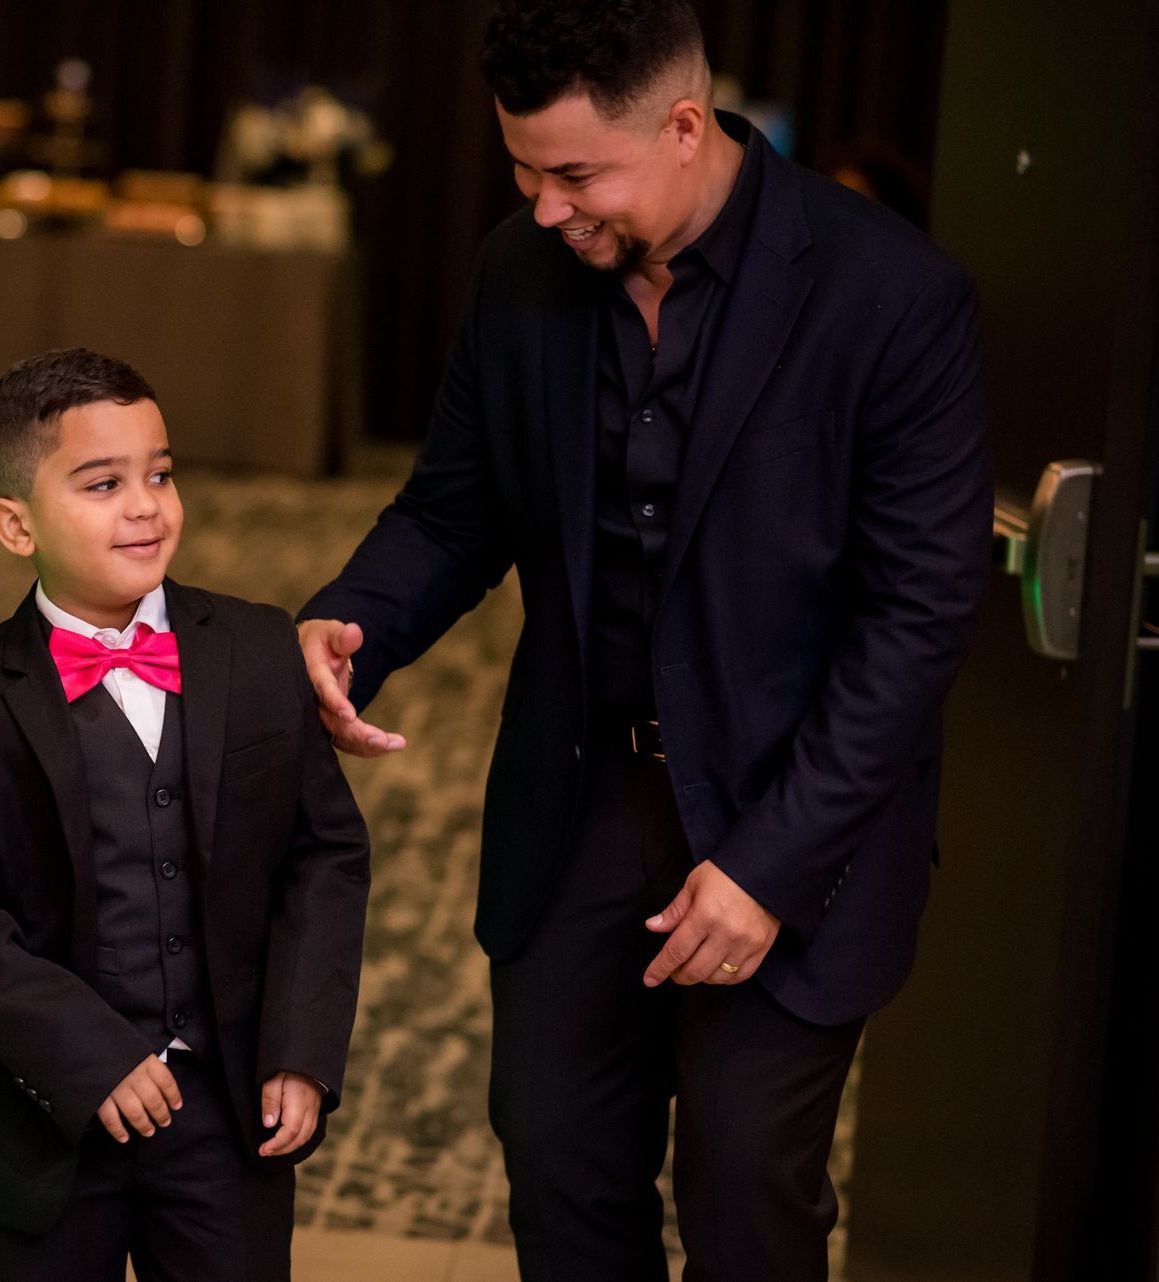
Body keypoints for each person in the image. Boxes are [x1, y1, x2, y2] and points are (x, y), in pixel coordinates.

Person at [295, 2, 992, 1278]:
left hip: (791, 809)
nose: (545, 207)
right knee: (558, 1167)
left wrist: (768, 866)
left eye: (575, 174)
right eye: (523, 169)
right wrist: (353, 623)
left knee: (744, 1185)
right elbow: (453, 509)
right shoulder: (521, 271)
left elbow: (915, 618)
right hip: (581, 800)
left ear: (683, 126)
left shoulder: (893, 296)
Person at [0, 347, 371, 1282]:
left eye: (161, 474)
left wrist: (302, 1050)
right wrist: (86, 1053)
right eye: (103, 484)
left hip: (227, 1117)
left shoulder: (260, 650)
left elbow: (325, 856)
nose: (146, 506)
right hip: (45, 1127)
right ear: (15, 525)